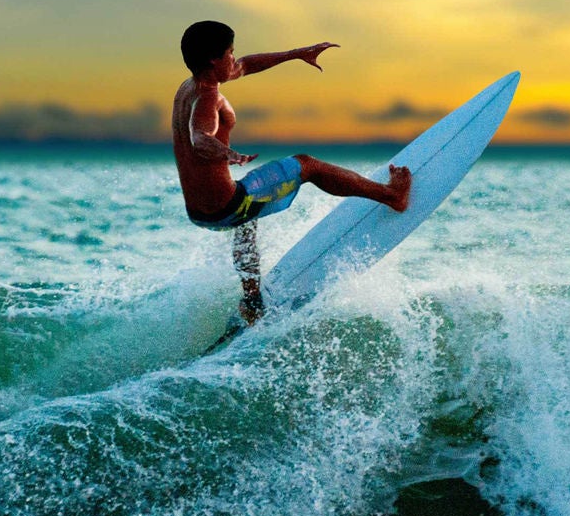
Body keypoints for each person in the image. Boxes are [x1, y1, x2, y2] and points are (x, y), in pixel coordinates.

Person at [173, 20, 411, 323]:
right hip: (228, 205)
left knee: (248, 218)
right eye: (230, 54)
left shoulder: (189, 88)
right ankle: (392, 195)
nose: (235, 59)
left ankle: (252, 301)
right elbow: (199, 137)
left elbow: (246, 66)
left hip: (200, 213)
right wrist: (227, 153)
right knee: (306, 164)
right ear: (213, 61)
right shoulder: (208, 97)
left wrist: (296, 54)